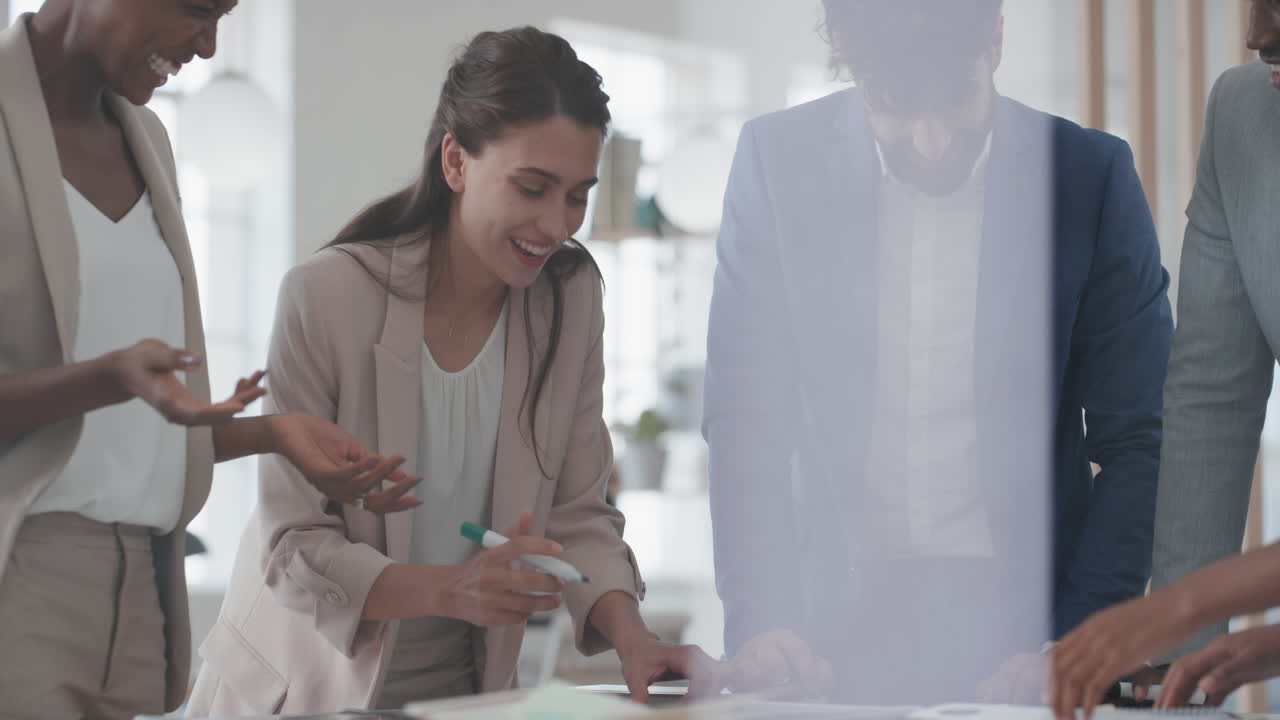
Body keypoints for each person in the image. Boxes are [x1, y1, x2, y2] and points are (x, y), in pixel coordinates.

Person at [187, 26, 722, 715]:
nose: (557, 224)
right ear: (456, 161)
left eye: (577, 195)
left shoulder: (570, 298)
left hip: (460, 697)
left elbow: (579, 510)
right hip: (298, 692)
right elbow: (292, 545)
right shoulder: (326, 296)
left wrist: (633, 638)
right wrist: (449, 589)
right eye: (533, 188)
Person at [704, 0, 1173, 704]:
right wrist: (762, 623)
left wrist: (1080, 639)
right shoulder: (777, 165)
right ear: (854, 70)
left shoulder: (1087, 176)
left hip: (1030, 628)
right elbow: (745, 423)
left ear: (997, 38)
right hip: (822, 631)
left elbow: (1139, 437)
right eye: (893, 110)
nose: (929, 143)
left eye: (955, 102)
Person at [0, 3, 418, 718]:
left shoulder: (149, 141)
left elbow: (133, 429)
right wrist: (107, 377)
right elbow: (110, 389)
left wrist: (273, 433)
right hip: (23, 569)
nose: (208, 43)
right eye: (196, 8)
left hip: (140, 582)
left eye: (223, 15)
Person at [1050, 0, 1280, 714]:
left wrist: (1178, 607)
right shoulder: (1246, 112)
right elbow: (1211, 397)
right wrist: (1183, 666)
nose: (1256, 32)